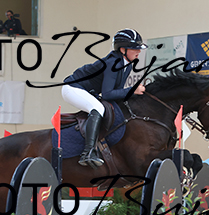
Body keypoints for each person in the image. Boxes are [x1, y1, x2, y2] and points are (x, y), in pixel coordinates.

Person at [62, 29, 147, 168]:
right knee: (98, 108)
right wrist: (133, 90)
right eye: (134, 48)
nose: (139, 51)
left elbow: (117, 92)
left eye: (139, 48)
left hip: (88, 91)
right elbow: (108, 94)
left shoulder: (127, 64)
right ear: (123, 49)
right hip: (72, 88)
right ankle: (88, 152)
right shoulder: (114, 63)